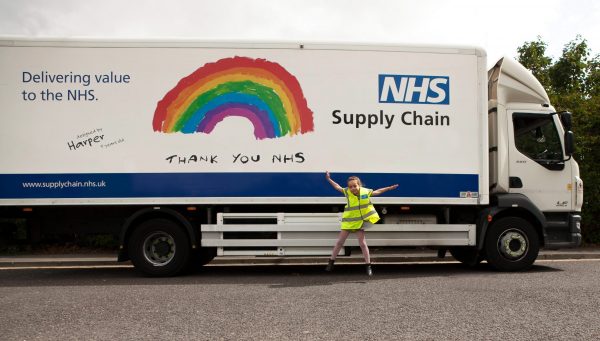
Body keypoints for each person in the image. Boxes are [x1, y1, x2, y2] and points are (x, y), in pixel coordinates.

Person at [325, 171, 398, 276]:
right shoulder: (347, 192)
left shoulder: (365, 192)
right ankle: (331, 263)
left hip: (359, 222)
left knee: (363, 244)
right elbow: (337, 187)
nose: (353, 188)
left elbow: (377, 192)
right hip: (349, 222)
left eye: (355, 186)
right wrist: (329, 179)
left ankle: (368, 266)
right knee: (339, 243)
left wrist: (389, 188)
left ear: (359, 185)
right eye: (350, 186)